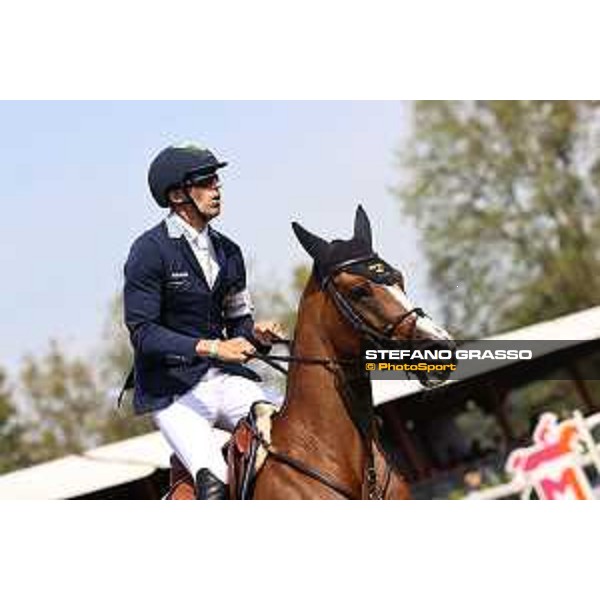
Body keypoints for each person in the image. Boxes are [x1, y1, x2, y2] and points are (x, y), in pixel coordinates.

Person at [123, 142, 283, 499]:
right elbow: (143, 333)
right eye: (207, 182)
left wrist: (257, 335)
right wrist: (213, 347)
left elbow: (239, 324)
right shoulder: (149, 251)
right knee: (214, 487)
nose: (217, 189)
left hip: (226, 380)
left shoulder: (229, 252)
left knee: (290, 432)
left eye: (217, 181)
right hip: (173, 392)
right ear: (178, 194)